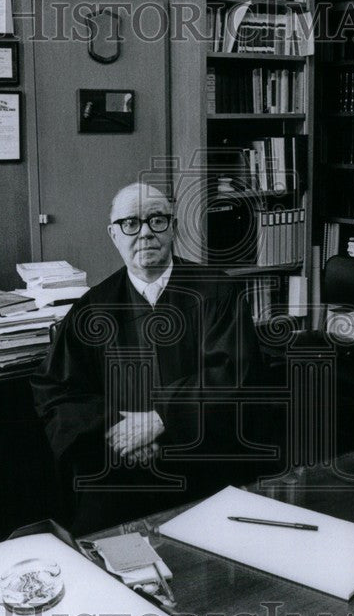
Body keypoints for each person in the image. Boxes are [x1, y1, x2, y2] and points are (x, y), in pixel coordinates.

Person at [31, 182, 266, 534]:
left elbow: (237, 375)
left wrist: (161, 420)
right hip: (119, 469)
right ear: (113, 234)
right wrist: (118, 430)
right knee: (101, 546)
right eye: (131, 223)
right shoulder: (92, 308)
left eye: (157, 220)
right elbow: (57, 392)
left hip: (203, 460)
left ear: (173, 228)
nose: (144, 233)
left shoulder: (217, 291)